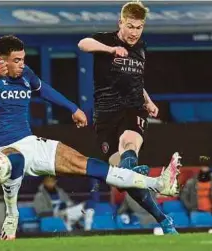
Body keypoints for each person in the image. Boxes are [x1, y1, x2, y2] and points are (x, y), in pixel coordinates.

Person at [0, 34, 180, 240]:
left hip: (29, 142)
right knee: (17, 159)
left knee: (88, 165)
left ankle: (158, 184)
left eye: (23, 59)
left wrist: (72, 108)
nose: (22, 64)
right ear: (0, 61)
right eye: (16, 60)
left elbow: (44, 90)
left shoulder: (25, 74)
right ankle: (12, 215)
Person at [77, 1, 177, 234]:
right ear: (120, 22)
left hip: (132, 109)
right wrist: (111, 50)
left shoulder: (141, 48)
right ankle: (163, 219)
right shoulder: (106, 40)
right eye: (130, 26)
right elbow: (82, 44)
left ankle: (133, 171)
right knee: (123, 177)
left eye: (139, 27)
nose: (134, 32)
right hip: (105, 116)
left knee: (129, 143)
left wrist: (148, 101)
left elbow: (136, 81)